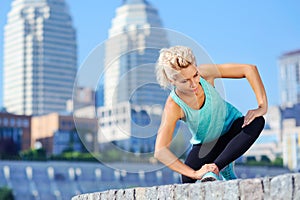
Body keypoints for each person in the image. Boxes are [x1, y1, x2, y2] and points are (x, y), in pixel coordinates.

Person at [154, 46, 267, 183]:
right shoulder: (173, 106)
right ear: (172, 81)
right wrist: (195, 173)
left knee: (257, 121)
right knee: (187, 177)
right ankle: (221, 164)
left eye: (195, 75)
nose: (194, 83)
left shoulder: (205, 72)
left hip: (233, 130)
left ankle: (219, 166)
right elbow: (160, 150)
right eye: (185, 81)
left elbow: (249, 69)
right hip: (207, 145)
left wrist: (262, 106)